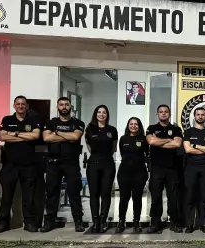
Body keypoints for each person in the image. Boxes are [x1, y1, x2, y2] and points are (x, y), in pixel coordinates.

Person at [0, 95, 42, 233]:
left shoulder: (33, 120)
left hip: (28, 165)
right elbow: (3, 137)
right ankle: (3, 223)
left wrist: (15, 134)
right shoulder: (7, 120)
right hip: (10, 164)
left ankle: (29, 223)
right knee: (7, 195)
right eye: (18, 104)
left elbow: (35, 136)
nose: (21, 106)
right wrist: (23, 136)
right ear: (14, 105)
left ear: (26, 106)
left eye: (23, 104)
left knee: (29, 196)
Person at [42, 97, 86, 233]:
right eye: (61, 104)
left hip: (71, 163)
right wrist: (67, 136)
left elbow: (75, 137)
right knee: (51, 193)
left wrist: (57, 133)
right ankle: (50, 221)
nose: (64, 106)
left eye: (66, 104)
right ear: (58, 107)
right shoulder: (50, 123)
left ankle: (78, 221)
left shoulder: (78, 123)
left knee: (74, 192)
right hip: (53, 163)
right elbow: (46, 138)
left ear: (70, 106)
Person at [146, 104, 184, 233]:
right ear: (157, 114)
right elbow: (151, 142)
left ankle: (174, 222)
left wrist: (159, 142)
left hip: (172, 168)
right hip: (156, 168)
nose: (163, 113)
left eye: (166, 111)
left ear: (169, 114)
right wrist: (169, 140)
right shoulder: (151, 128)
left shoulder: (176, 129)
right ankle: (155, 223)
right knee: (156, 196)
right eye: (161, 112)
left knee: (173, 197)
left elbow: (177, 143)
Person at [84, 105, 118, 234]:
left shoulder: (112, 130)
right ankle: (96, 222)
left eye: (104, 112)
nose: (101, 114)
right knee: (94, 194)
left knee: (105, 193)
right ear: (96, 114)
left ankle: (104, 220)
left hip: (108, 164)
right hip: (93, 164)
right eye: (99, 112)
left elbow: (113, 148)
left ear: (107, 115)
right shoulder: (90, 129)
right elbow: (89, 146)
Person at [183, 107, 205, 233]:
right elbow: (188, 150)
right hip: (191, 167)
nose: (200, 117)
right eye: (198, 114)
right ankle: (190, 224)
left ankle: (203, 224)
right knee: (190, 196)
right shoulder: (188, 132)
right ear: (194, 116)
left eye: (202, 115)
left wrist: (196, 145)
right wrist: (204, 148)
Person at [116, 117, 149, 233]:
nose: (133, 126)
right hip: (124, 172)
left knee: (137, 198)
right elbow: (122, 153)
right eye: (131, 124)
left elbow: (147, 155)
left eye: (136, 124)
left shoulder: (144, 139)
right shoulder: (123, 139)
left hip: (139, 173)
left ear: (139, 126)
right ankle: (121, 221)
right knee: (124, 198)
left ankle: (136, 222)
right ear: (128, 125)